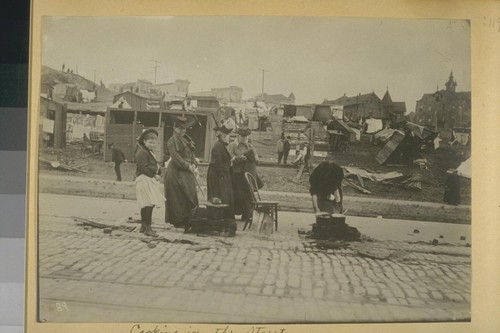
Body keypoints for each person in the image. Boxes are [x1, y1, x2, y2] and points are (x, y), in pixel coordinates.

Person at [165, 116, 199, 228]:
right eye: (180, 128)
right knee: (178, 197)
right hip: (176, 172)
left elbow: (192, 154)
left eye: (184, 129)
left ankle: (189, 219)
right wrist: (187, 166)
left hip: (187, 170)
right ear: (174, 128)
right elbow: (176, 158)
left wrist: (194, 163)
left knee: (190, 194)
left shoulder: (187, 139)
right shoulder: (171, 141)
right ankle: (179, 221)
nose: (182, 131)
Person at [135, 129, 165, 237]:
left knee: (147, 204)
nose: (152, 144)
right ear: (144, 141)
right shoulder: (142, 152)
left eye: (154, 142)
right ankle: (148, 227)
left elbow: (155, 165)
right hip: (144, 179)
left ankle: (144, 226)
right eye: (150, 142)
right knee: (148, 204)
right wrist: (154, 175)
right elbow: (143, 168)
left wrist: (158, 172)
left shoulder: (149, 152)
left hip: (148, 179)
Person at [227, 126, 260, 222]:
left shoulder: (250, 146)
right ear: (238, 136)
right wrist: (240, 158)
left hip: (248, 174)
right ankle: (233, 213)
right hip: (236, 175)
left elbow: (257, 159)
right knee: (236, 194)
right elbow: (230, 158)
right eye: (243, 136)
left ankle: (246, 214)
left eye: (246, 137)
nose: (245, 138)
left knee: (248, 194)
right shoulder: (232, 145)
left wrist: (255, 159)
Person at [207, 125, 235, 219]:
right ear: (223, 136)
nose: (229, 138)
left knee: (224, 195)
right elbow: (217, 163)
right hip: (218, 175)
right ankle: (220, 217)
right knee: (220, 195)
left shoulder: (221, 145)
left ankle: (224, 217)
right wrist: (222, 175)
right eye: (227, 135)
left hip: (221, 174)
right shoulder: (218, 146)